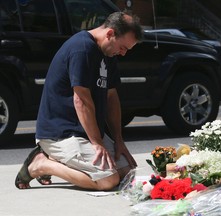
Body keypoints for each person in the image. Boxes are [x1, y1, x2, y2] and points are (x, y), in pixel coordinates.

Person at [15, 11, 143, 190]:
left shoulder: (109, 53)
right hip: (62, 133)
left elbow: (112, 98)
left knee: (128, 173)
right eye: (123, 47)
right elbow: (81, 100)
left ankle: (60, 160)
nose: (123, 53)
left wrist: (118, 140)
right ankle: (41, 164)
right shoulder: (81, 48)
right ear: (110, 34)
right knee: (108, 180)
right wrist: (97, 143)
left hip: (87, 132)